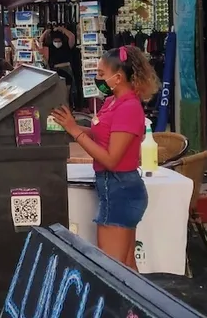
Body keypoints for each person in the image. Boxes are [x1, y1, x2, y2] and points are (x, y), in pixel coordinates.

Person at [51, 45, 158, 271]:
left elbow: (111, 159)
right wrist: (73, 126)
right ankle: (135, 307)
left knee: (112, 270)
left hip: (120, 188)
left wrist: (74, 131)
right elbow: (101, 135)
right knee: (127, 267)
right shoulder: (112, 102)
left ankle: (125, 307)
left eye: (101, 74)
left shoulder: (129, 107)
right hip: (115, 187)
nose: (97, 78)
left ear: (118, 78)